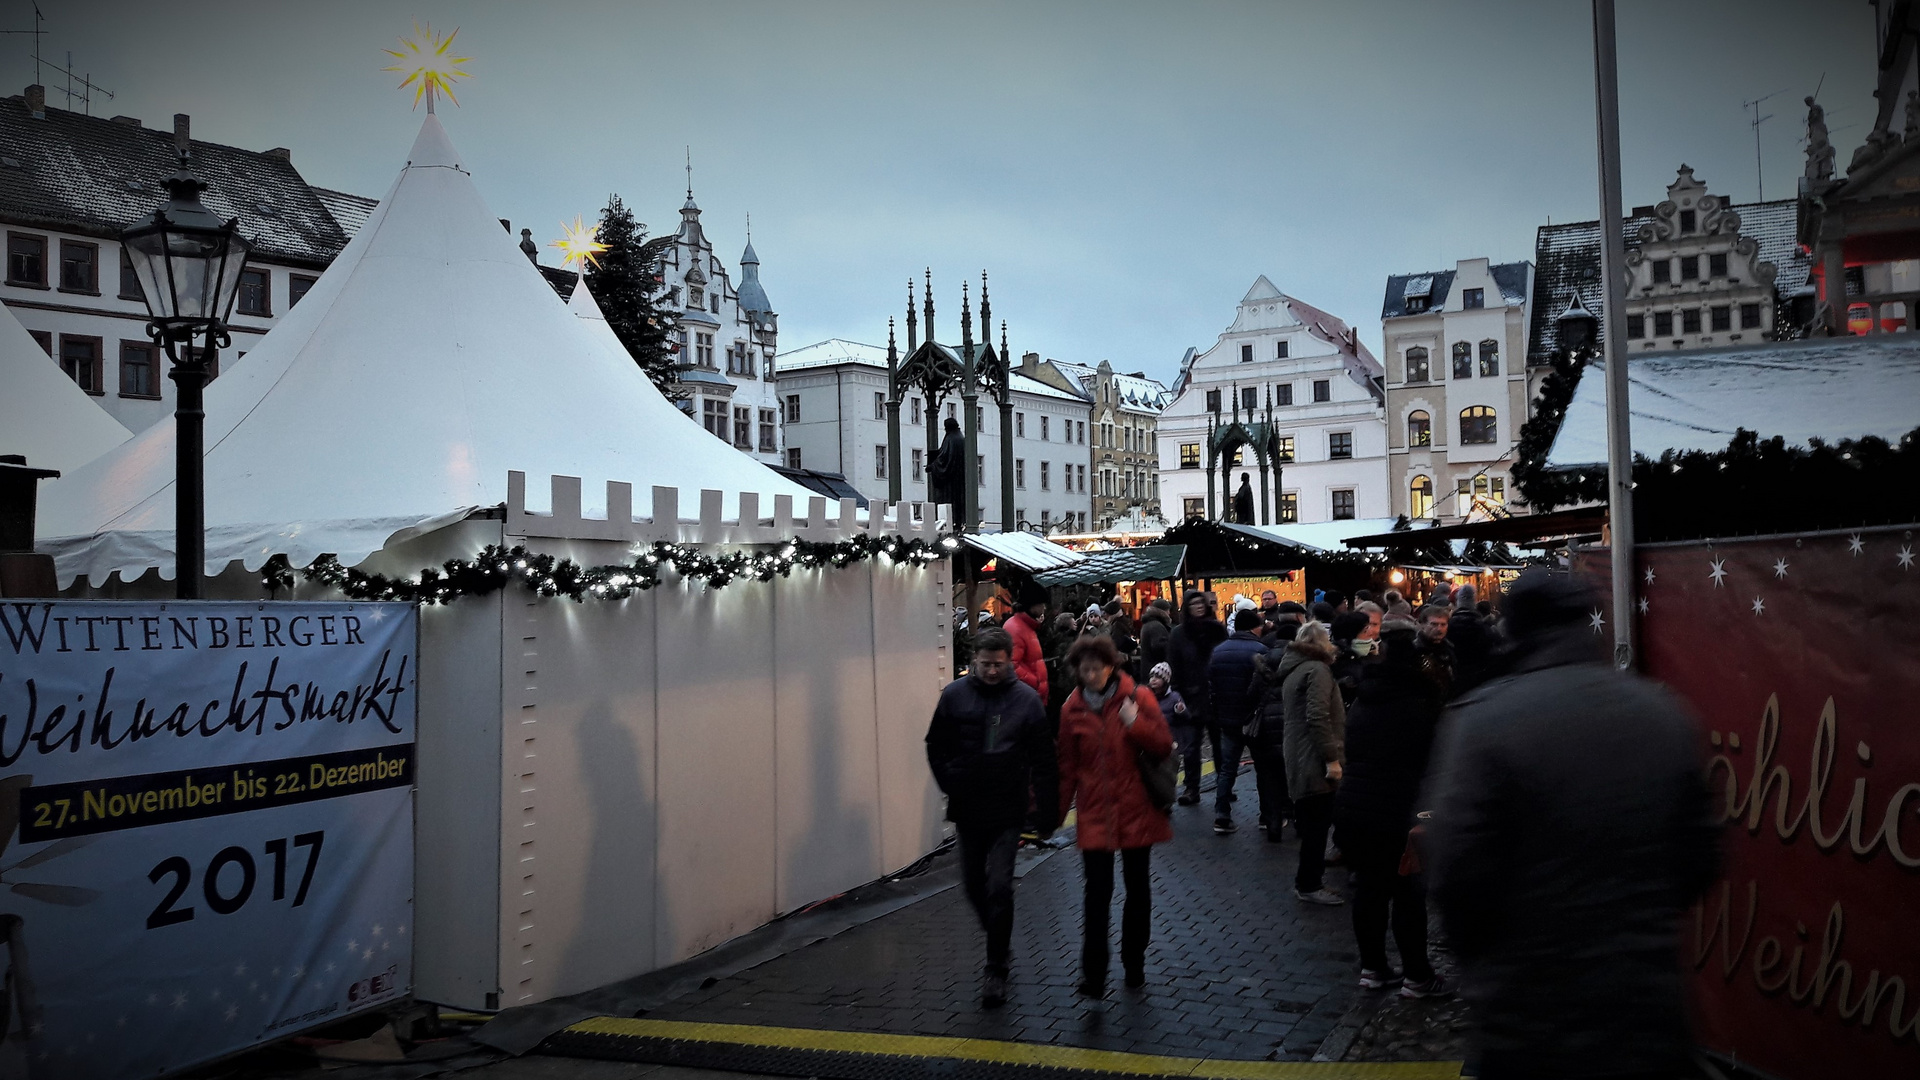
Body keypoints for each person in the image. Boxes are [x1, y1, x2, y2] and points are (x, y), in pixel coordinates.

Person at [1424, 570, 1721, 1080]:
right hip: (1644, 1002)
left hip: (1529, 1010)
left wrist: (1488, 968)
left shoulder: (1486, 721)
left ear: (1513, 630)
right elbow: (1700, 857)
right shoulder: (1661, 713)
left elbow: (1456, 871)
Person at [925, 628, 1060, 1008]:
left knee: (998, 884)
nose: (990, 672)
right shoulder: (954, 696)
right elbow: (936, 744)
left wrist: (1047, 812)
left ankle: (996, 965)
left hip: (1007, 807)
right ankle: (998, 938)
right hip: (969, 806)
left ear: (1008, 661)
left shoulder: (1026, 702)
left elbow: (1044, 760)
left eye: (997, 665)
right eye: (984, 665)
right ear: (975, 661)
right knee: (972, 885)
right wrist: (950, 781)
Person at [1333, 617, 1448, 999]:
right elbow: (1434, 760)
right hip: (1400, 808)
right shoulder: (1420, 705)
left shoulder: (1365, 700)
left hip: (1355, 805)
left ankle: (1374, 968)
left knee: (1369, 889)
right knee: (1408, 892)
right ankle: (1417, 974)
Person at [1057, 634, 1173, 996]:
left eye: (1097, 668)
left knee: (1137, 888)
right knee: (1096, 895)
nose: (1090, 675)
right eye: (1084, 669)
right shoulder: (1071, 709)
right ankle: (1093, 974)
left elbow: (1162, 746)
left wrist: (1134, 723)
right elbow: (1067, 767)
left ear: (1111, 667)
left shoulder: (1138, 697)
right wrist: (1055, 815)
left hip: (1136, 807)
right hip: (1094, 812)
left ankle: (1133, 963)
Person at [1277, 620, 1346, 905]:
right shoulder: (1317, 670)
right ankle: (1309, 884)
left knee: (1312, 824)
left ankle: (1309, 881)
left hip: (1298, 754)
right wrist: (1331, 757)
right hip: (1313, 758)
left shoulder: (1294, 670)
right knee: (1317, 826)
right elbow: (1317, 717)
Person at [1204, 608, 1267, 835]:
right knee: (1263, 768)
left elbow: (1211, 688)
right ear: (1254, 627)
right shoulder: (1261, 650)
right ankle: (1266, 815)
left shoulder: (1218, 651)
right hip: (1254, 720)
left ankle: (1221, 815)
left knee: (1227, 768)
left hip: (1227, 719)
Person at [1165, 591, 1226, 806]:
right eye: (1194, 603)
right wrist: (1177, 694)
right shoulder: (1179, 634)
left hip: (1216, 694)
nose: (1199, 606)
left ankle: (1224, 785)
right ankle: (1192, 788)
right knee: (1191, 746)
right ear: (1187, 607)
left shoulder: (1216, 629)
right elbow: (1174, 664)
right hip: (1191, 695)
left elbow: (1224, 658)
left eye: (1202, 603)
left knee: (1220, 745)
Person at [1445, 584, 1496, 694]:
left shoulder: (1448, 625)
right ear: (1474, 601)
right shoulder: (1483, 626)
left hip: (1457, 675)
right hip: (1480, 678)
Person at [1003, 584, 1050, 702]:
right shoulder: (1017, 629)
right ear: (1032, 605)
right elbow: (1012, 665)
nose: (1044, 608)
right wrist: (1036, 683)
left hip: (1031, 696)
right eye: (1042, 604)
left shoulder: (1026, 626)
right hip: (1026, 697)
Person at [929, 416, 969, 521]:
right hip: (960, 480)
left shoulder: (951, 439)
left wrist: (932, 466)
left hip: (950, 483)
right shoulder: (961, 438)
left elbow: (944, 459)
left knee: (949, 505)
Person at [1415, 604, 1455, 703]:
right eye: (1434, 624)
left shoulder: (1450, 649)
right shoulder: (1413, 651)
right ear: (1422, 625)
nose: (1439, 629)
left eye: (1443, 624)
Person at [1135, 599, 1173, 681]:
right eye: (1168, 610)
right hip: (1156, 674)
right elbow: (1160, 648)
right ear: (1163, 611)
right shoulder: (1157, 626)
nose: (1169, 613)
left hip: (1149, 671)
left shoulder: (1149, 624)